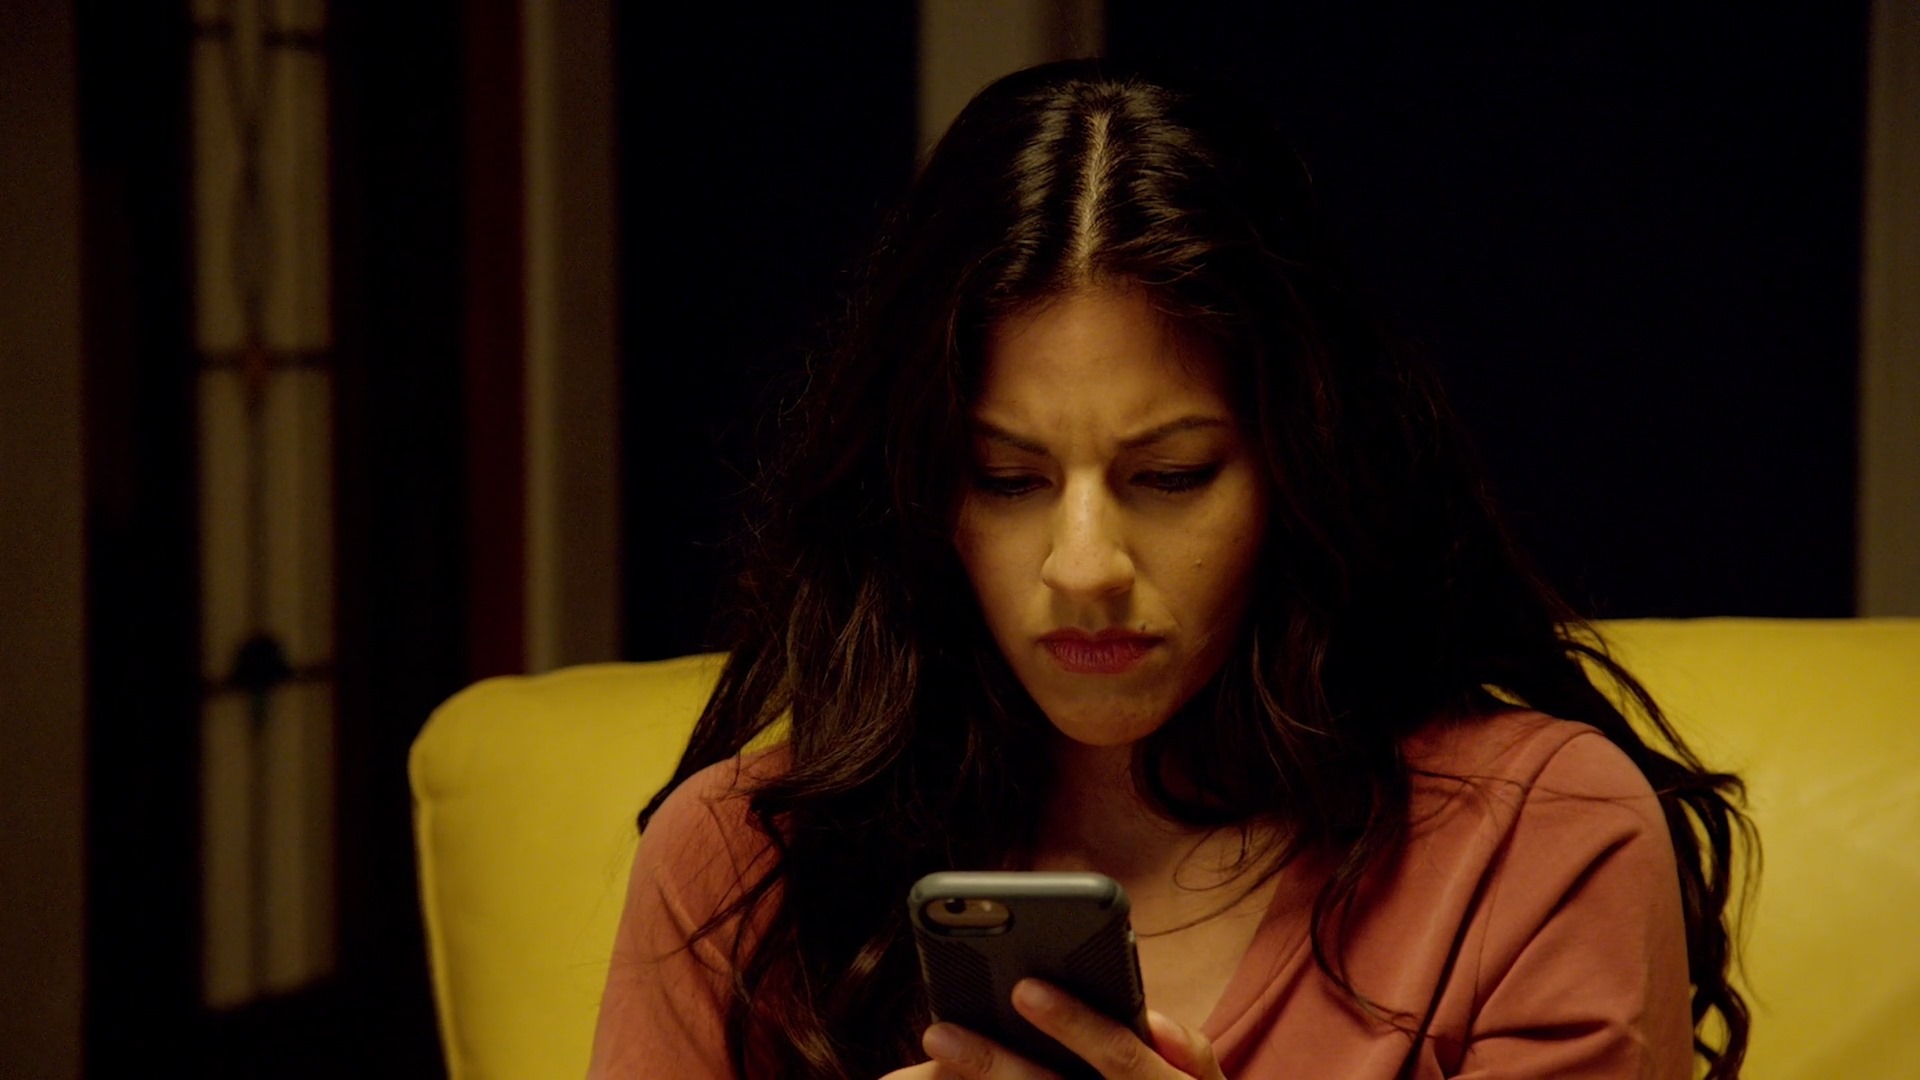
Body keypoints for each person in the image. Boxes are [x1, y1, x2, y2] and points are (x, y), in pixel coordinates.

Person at [590, 58, 1752, 1079]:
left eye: (1172, 475)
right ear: (918, 490)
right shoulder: (738, 866)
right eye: (1007, 479)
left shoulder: (1540, 836)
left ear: (1300, 467)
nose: (1084, 566)